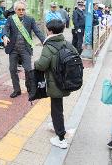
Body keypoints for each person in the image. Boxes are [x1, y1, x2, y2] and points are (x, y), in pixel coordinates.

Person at [34, 19, 76, 149]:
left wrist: (35, 63)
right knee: (58, 106)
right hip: (66, 81)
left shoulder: (49, 46)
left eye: (47, 29)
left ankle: (61, 138)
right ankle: (55, 125)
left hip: (55, 83)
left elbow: (41, 65)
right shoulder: (67, 44)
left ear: (50, 31)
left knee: (56, 109)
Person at [3, 1, 45, 98]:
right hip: (13, 49)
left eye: (23, 9)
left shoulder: (30, 19)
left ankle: (30, 88)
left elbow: (37, 31)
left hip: (25, 49)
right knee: (12, 69)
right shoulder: (10, 19)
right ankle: (16, 90)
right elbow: (5, 29)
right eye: (19, 10)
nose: (21, 11)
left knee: (28, 69)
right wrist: (5, 36)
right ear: (15, 10)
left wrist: (45, 41)